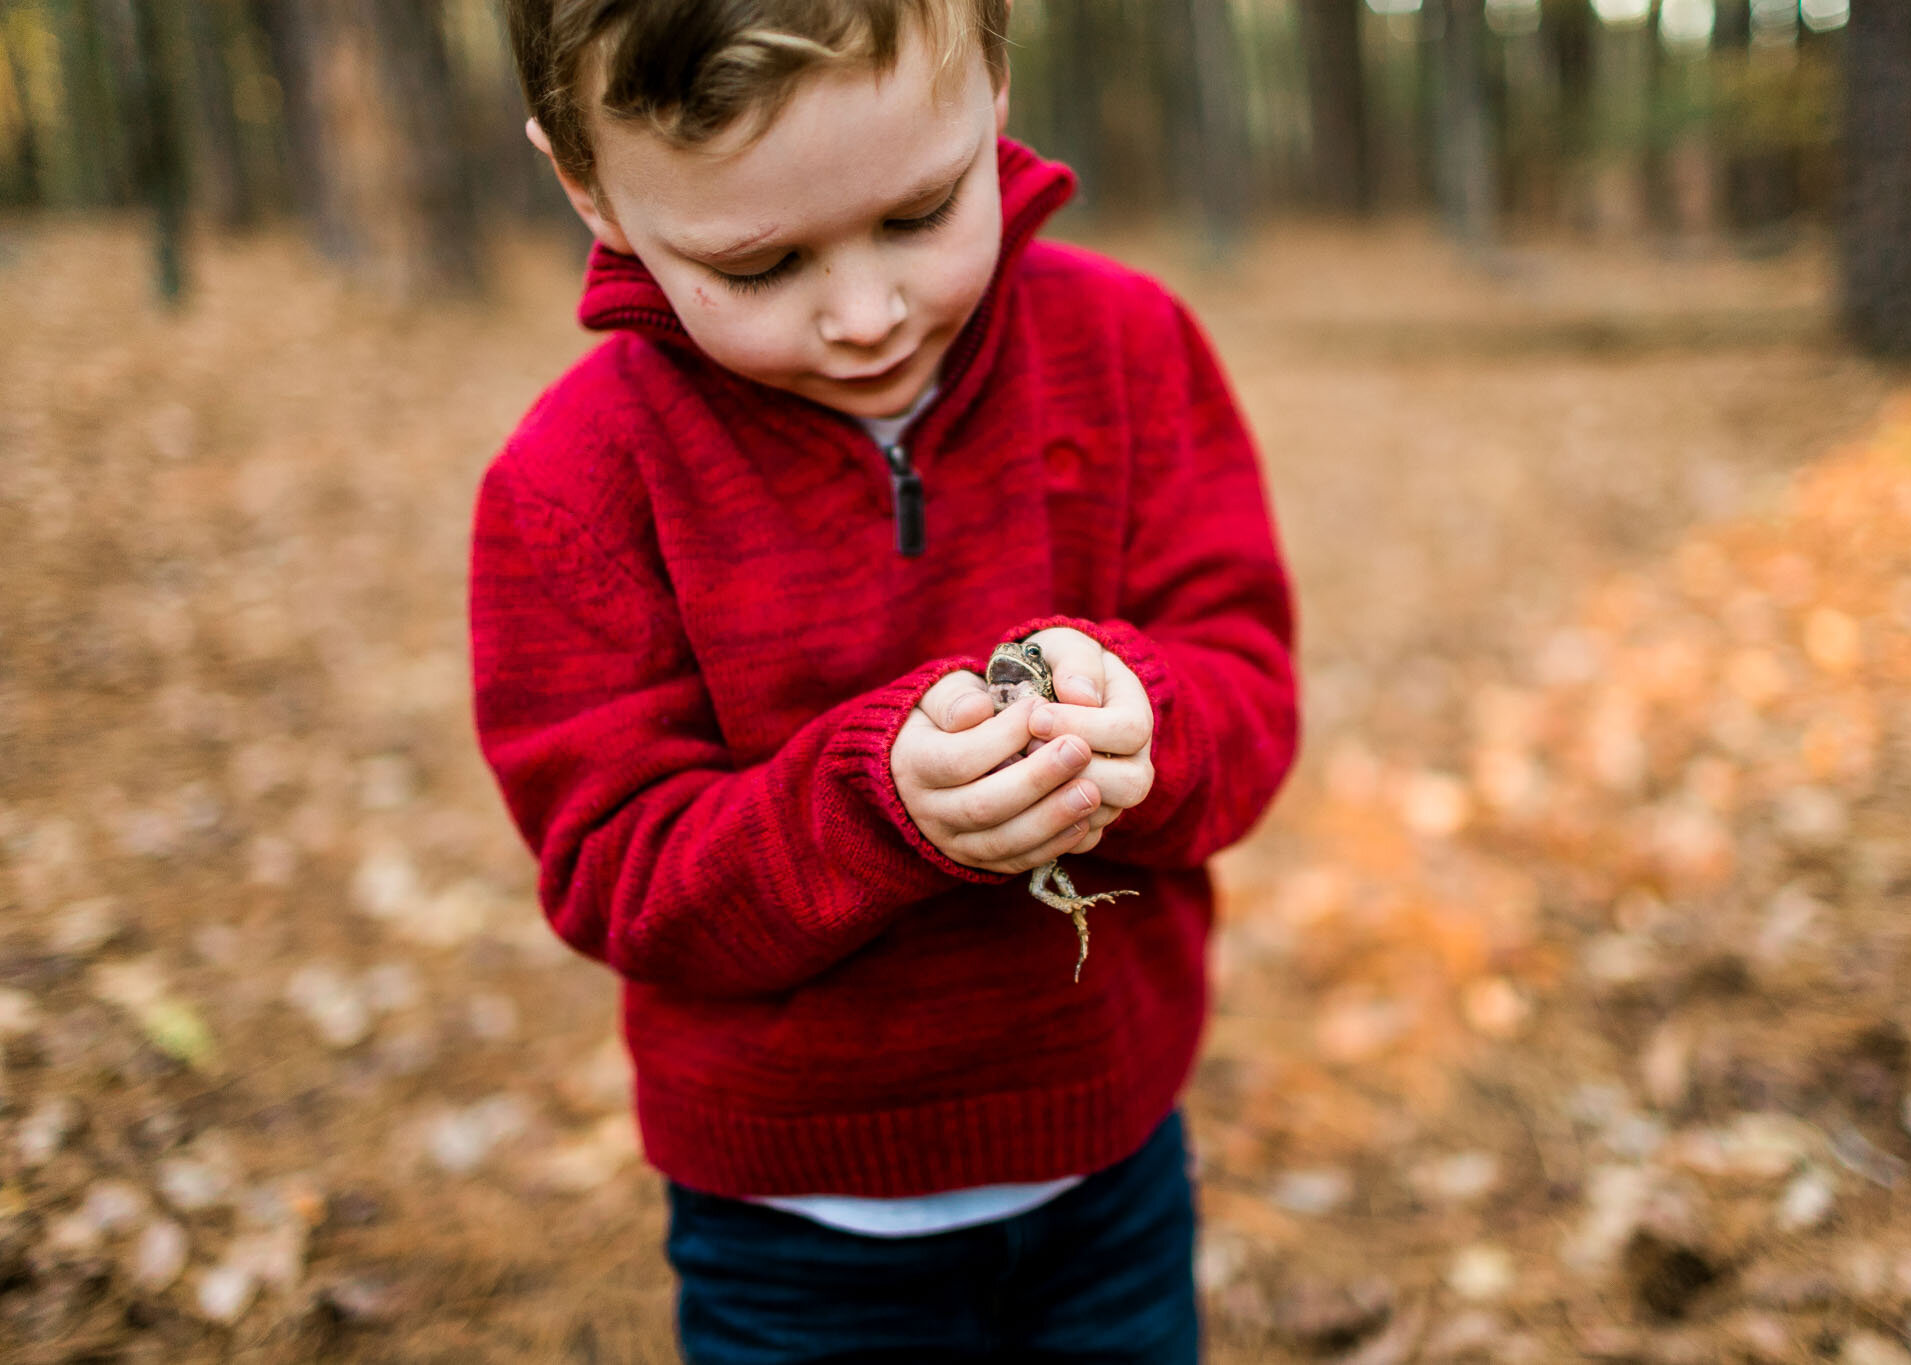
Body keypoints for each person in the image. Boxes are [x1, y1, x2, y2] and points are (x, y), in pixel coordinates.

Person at [470, 1, 1297, 1359]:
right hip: (791, 1230)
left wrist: (1152, 723)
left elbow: (1248, 689)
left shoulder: (1130, 356)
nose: (865, 315)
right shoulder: (577, 486)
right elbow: (616, 870)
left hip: (1111, 1164)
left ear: (994, 89)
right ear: (589, 189)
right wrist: (872, 816)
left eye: (920, 214)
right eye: (761, 263)